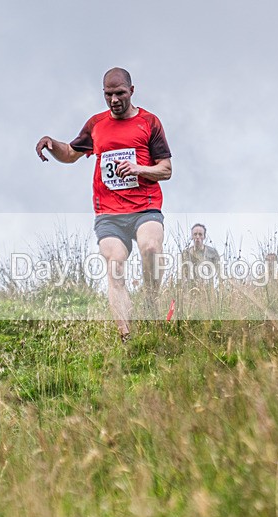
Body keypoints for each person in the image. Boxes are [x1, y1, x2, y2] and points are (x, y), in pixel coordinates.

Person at [35, 67, 173, 342]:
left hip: (145, 207)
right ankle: (127, 337)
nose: (114, 100)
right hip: (109, 213)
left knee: (151, 248)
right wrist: (52, 144)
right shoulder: (96, 124)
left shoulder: (149, 122)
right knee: (115, 264)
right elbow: (70, 153)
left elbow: (166, 169)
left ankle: (151, 300)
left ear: (131, 91)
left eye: (119, 93)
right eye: (108, 94)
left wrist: (138, 169)